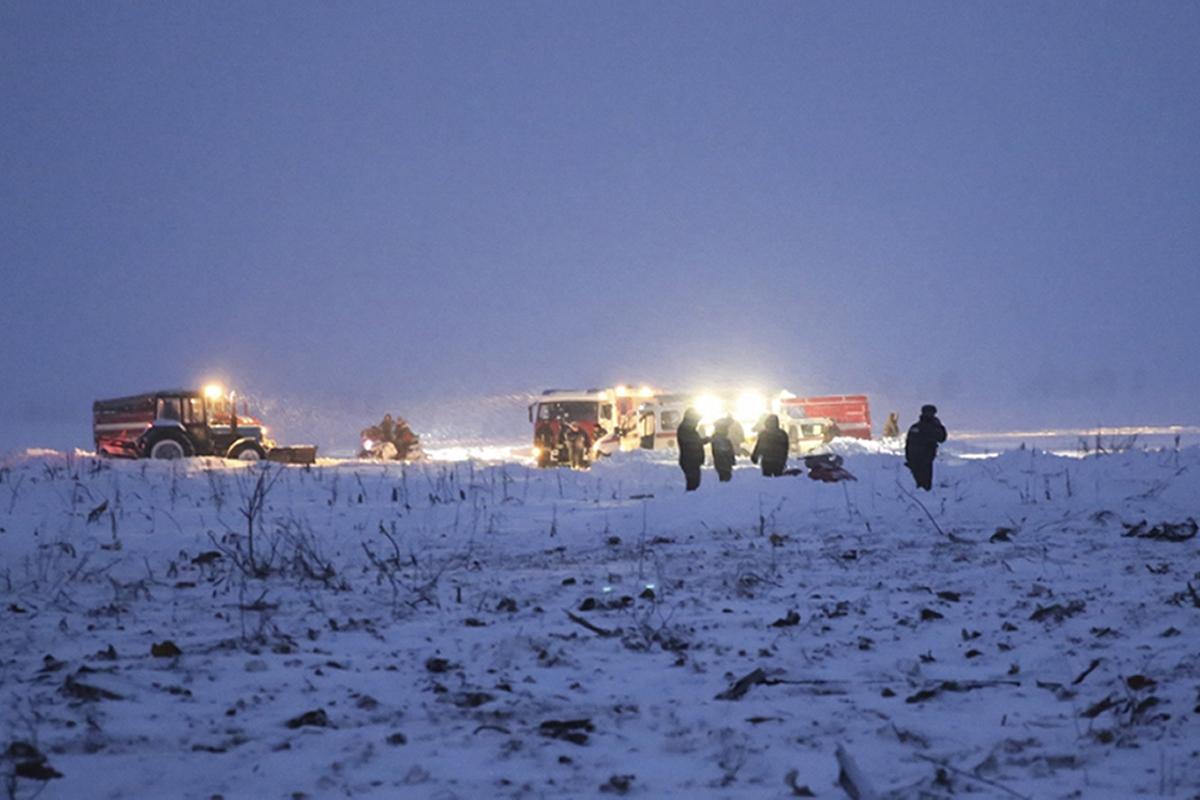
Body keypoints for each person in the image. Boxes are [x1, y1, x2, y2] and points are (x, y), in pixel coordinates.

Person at [904, 404, 947, 491]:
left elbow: (908, 444)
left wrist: (908, 458)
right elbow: (942, 438)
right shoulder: (932, 427)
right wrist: (939, 426)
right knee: (925, 486)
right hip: (925, 459)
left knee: (917, 485)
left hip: (915, 459)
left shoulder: (915, 427)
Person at [676, 407, 709, 491]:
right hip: (689, 461)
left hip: (693, 461)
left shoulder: (690, 429)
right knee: (692, 486)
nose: (697, 423)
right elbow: (692, 442)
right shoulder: (685, 429)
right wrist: (704, 440)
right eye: (696, 420)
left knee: (694, 485)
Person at [710, 418, 736, 482]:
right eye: (725, 428)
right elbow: (725, 452)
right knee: (725, 482)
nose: (727, 430)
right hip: (723, 466)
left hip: (723, 466)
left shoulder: (719, 438)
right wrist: (731, 460)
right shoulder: (720, 439)